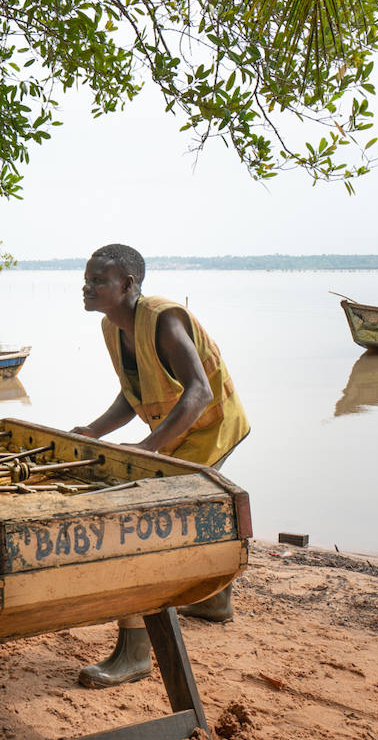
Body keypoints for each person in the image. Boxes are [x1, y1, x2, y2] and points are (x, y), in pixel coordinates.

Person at [71, 244, 250, 688]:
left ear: (128, 284)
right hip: (175, 433)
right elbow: (132, 396)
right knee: (189, 514)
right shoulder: (112, 329)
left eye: (98, 281)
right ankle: (215, 601)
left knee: (138, 526)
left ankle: (133, 653)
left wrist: (151, 448)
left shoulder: (164, 319)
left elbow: (199, 393)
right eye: (87, 279)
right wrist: (93, 432)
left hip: (209, 427)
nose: (87, 287)